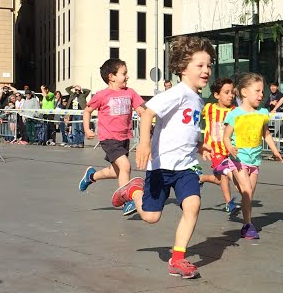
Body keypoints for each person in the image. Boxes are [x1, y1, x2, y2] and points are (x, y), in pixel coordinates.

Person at [112, 37, 217, 280]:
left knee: (193, 205)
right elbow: (148, 112)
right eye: (200, 65)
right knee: (150, 217)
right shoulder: (178, 93)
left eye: (209, 65)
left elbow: (186, 130)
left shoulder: (198, 98)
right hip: (161, 167)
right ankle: (134, 190)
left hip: (186, 167)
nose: (206, 71)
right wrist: (145, 143)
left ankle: (178, 259)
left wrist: (201, 147)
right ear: (183, 68)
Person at [78, 59, 147, 215]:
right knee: (125, 167)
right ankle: (127, 201)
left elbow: (143, 111)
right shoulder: (102, 95)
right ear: (112, 76)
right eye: (124, 73)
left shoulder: (130, 92)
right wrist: (87, 129)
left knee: (116, 172)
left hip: (124, 138)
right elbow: (87, 111)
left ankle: (91, 176)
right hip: (108, 138)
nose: (127, 76)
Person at [223, 72, 283, 240]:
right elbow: (226, 137)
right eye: (257, 91)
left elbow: (266, 134)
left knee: (248, 194)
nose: (261, 95)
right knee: (247, 192)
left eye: (262, 91)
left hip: (255, 160)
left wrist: (275, 151)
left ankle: (228, 173)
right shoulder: (234, 114)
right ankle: (248, 224)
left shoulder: (263, 112)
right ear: (244, 92)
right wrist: (230, 148)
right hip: (238, 158)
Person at [199, 77, 241, 213]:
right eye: (226, 92)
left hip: (230, 150)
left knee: (220, 180)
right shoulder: (209, 108)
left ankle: (201, 178)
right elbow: (195, 116)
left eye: (232, 92)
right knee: (226, 174)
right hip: (214, 150)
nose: (231, 96)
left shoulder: (235, 111)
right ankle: (229, 203)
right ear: (217, 95)